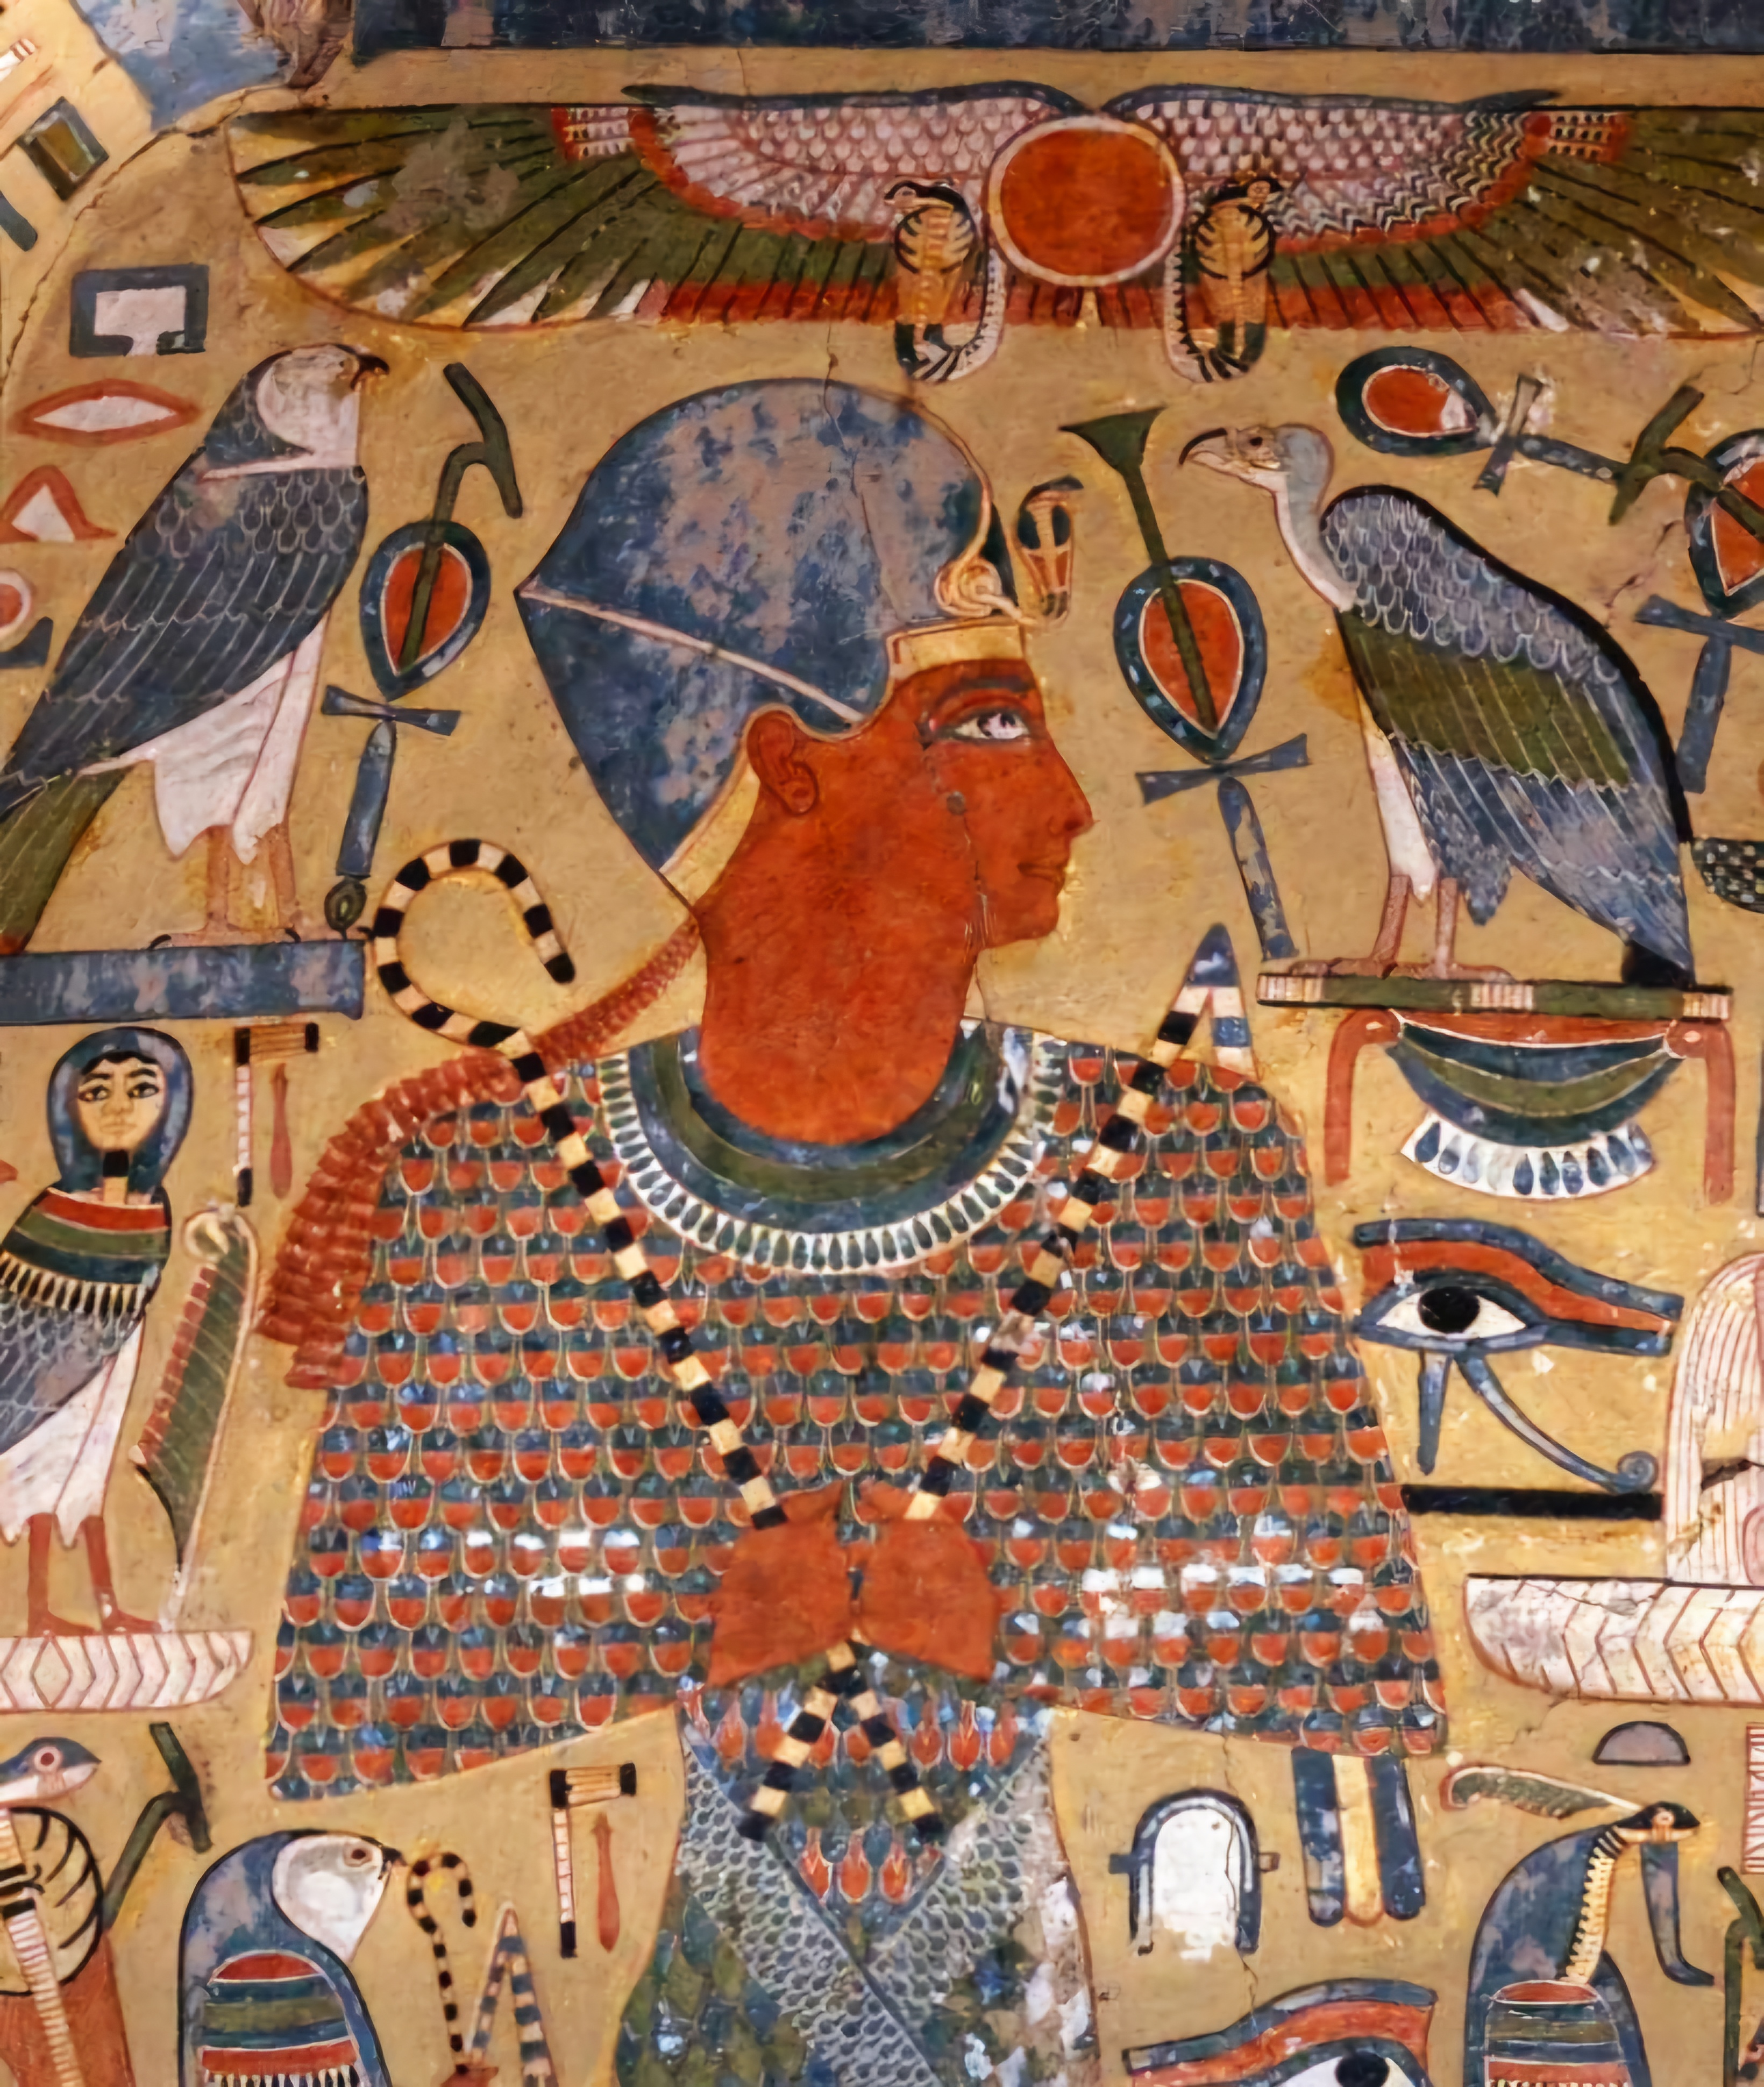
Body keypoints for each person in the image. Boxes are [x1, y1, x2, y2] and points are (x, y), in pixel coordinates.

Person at [264, 381, 1443, 2084]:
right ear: (782, 766)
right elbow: (355, 1689)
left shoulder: (1176, 1153)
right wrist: (703, 1621)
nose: (1070, 801)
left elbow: (1355, 1651)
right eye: (987, 725)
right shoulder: (497, 1187)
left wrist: (1011, 1615)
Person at [0, 1027, 193, 1635]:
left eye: (141, 1089)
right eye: (96, 1092)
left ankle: (107, 1606)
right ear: (70, 1107)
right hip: (39, 1387)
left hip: (108, 1360)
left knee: (91, 1472)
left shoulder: (153, 1207)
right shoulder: (51, 1216)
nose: (118, 1108)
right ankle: (39, 1609)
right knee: (43, 1475)